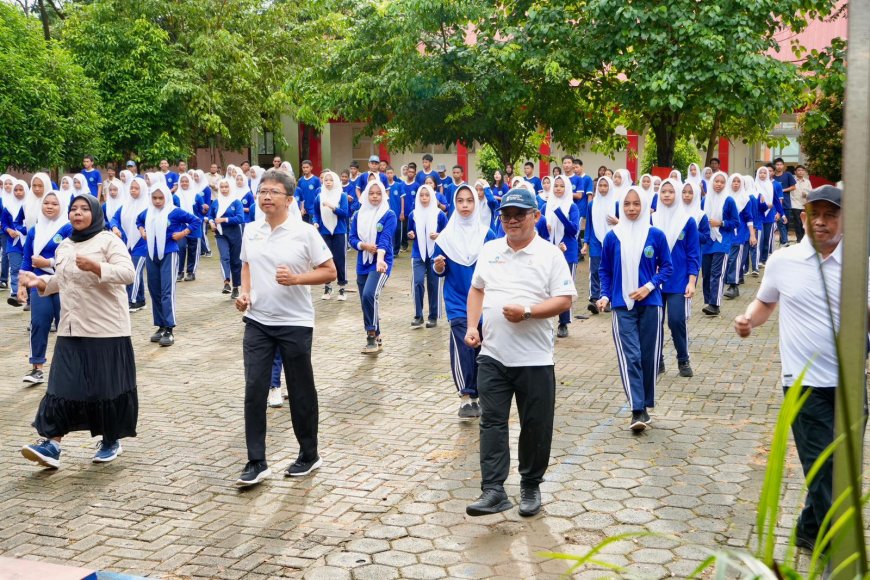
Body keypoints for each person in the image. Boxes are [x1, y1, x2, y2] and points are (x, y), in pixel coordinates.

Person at [733, 185, 867, 553]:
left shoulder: (860, 264)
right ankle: (839, 548)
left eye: (831, 215)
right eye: (815, 215)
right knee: (826, 472)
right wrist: (747, 321)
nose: (821, 223)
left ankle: (808, 530)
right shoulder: (783, 261)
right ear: (804, 217)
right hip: (804, 385)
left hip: (851, 385)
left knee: (844, 466)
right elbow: (765, 303)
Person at [464, 187, 576, 517]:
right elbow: (476, 288)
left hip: (535, 359)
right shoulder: (490, 249)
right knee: (492, 422)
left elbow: (565, 299)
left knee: (535, 425)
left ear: (535, 217)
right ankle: (493, 490)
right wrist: (473, 326)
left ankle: (530, 485)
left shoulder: (550, 254)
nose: (512, 221)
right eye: (506, 215)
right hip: (493, 354)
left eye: (519, 215)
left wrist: (528, 311)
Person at [233, 169, 336, 486]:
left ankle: (309, 454)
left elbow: (329, 271)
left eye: (272, 192)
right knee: (254, 389)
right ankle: (256, 461)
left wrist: (297, 279)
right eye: (262, 191)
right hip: (258, 321)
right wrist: (244, 292)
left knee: (301, 390)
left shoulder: (305, 232)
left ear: (289, 199)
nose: (265, 196)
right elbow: (247, 265)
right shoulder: (251, 230)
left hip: (295, 322)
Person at [19, 194, 137, 468]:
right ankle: (52, 444)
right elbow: (62, 278)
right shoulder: (65, 245)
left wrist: (97, 267)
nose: (78, 213)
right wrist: (39, 281)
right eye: (74, 209)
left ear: (95, 214)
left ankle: (110, 440)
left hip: (106, 329)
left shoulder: (109, 240)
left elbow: (127, 273)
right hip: (70, 328)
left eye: (84, 209)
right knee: (61, 386)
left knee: (104, 389)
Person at [597, 187, 673, 430]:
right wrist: (605, 296)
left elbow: (667, 268)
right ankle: (637, 410)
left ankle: (645, 402)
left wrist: (649, 286)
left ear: (645, 206)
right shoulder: (612, 237)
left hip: (651, 304)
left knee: (648, 357)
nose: (631, 208)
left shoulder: (656, 235)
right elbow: (605, 270)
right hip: (622, 306)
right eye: (627, 204)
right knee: (631, 356)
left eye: (636, 204)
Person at [433, 185, 496, 419]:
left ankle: (479, 393)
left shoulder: (487, 234)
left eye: (470, 200)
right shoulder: (446, 237)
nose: (465, 205)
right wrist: (439, 267)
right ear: (454, 204)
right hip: (457, 300)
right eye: (460, 201)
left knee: (481, 347)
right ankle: (466, 396)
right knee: (463, 347)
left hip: (483, 301)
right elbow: (437, 266)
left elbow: (497, 262)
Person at [137, 181, 201, 347]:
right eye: (154, 198)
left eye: (161, 198)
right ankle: (160, 326)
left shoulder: (174, 212)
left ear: (167, 197)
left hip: (168, 253)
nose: (158, 201)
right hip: (151, 254)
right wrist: (143, 231)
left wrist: (183, 233)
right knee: (154, 290)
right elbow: (139, 221)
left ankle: (169, 328)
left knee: (167, 290)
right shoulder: (148, 212)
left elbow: (195, 221)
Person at [18, 188, 72, 384]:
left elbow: (71, 258)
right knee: (39, 323)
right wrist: (21, 285)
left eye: (54, 203)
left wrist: (47, 263)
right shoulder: (35, 230)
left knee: (64, 325)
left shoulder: (68, 229)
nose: (49, 206)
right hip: (38, 282)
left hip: (62, 282)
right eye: (46, 203)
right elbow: (27, 260)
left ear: (62, 206)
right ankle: (37, 367)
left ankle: (69, 368)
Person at [652, 179, 699, 377]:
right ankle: (657, 360)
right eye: (664, 191)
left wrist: (691, 281)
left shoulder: (687, 221)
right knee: (654, 323)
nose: (667, 195)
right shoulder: (652, 220)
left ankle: (683, 359)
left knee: (676, 320)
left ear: (678, 194)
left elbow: (693, 253)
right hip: (654, 282)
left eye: (671, 191)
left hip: (679, 280)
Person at [349, 181, 397, 354]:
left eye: (378, 193)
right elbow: (352, 238)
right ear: (366, 195)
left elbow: (385, 238)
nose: (375, 196)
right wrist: (363, 246)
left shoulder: (388, 214)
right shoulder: (358, 214)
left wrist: (380, 258)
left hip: (381, 262)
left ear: (383, 195)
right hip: (363, 261)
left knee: (370, 294)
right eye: (372, 193)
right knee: (365, 300)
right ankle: (377, 334)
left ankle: (371, 336)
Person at [542, 175, 580, 338]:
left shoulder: (572, 207)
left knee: (565, 287)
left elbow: (574, 230)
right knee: (547, 286)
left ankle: (564, 323)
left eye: (561, 186)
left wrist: (560, 214)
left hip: (568, 251)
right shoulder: (546, 206)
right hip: (550, 250)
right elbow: (540, 228)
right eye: (555, 186)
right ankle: (545, 320)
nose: (558, 188)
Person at [408, 184, 447, 328]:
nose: (424, 198)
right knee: (417, 282)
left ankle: (433, 316)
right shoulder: (414, 214)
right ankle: (418, 315)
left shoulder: (439, 214)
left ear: (432, 197)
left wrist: (438, 235)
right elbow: (409, 231)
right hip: (418, 253)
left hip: (434, 254)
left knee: (433, 284)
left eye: (427, 195)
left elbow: (447, 233)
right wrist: (410, 234)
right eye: (421, 195)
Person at [700, 171, 738, 316]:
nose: (719, 184)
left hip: (722, 241)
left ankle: (714, 304)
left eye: (722, 182)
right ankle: (708, 300)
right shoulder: (705, 201)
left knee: (717, 273)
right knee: (707, 274)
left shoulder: (729, 200)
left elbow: (736, 222)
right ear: (711, 182)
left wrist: (720, 223)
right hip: (707, 241)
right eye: (717, 181)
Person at [111, 176, 150, 312]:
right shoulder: (126, 205)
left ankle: (131, 300)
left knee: (134, 271)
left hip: (143, 243)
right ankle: (140, 300)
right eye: (131, 188)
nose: (133, 191)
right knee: (134, 271)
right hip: (128, 243)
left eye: (136, 188)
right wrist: (115, 228)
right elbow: (114, 219)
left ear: (143, 189)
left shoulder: (148, 205)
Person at [312, 170, 349, 301]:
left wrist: (333, 207)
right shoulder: (319, 196)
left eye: (331, 180)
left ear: (336, 181)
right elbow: (315, 212)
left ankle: (342, 288)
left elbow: (345, 213)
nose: (328, 182)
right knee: (325, 259)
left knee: (340, 259)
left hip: (339, 231)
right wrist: (316, 222)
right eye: (326, 180)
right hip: (324, 232)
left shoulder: (342, 195)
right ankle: (328, 286)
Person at [584, 176, 618, 315]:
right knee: (595, 269)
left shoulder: (616, 203)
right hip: (595, 240)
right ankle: (594, 298)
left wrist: (618, 221)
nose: (603, 188)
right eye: (600, 185)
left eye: (605, 185)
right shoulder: (592, 204)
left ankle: (608, 298)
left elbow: (623, 223)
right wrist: (586, 243)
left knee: (611, 269)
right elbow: (589, 225)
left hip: (611, 240)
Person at [209, 178, 246, 298]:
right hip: (221, 234)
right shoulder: (216, 202)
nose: (224, 189)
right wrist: (211, 223)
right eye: (222, 187)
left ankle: (236, 287)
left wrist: (224, 219)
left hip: (235, 234)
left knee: (236, 261)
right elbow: (210, 216)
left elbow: (240, 218)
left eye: (226, 187)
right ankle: (226, 282)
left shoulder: (236, 202)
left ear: (230, 188)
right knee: (224, 257)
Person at [722, 173, 756, 300]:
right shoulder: (724, 198)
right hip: (726, 232)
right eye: (733, 181)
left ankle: (733, 286)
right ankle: (727, 283)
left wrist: (752, 234)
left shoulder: (745, 199)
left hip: (739, 233)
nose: (736, 183)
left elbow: (749, 218)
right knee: (727, 258)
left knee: (734, 259)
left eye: (738, 181)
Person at [2, 180, 28, 306]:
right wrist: (8, 230)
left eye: (20, 190)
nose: (18, 192)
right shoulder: (8, 206)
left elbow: (33, 224)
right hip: (13, 242)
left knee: (27, 268)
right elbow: (4, 223)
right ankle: (15, 294)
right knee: (15, 267)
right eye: (16, 190)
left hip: (28, 241)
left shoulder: (30, 206)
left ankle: (28, 295)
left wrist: (20, 231)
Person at [175, 173, 204, 281]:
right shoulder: (175, 196)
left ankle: (191, 272)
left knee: (193, 249)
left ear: (190, 182)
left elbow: (202, 211)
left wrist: (205, 209)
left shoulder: (196, 196)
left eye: (186, 181)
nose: (184, 183)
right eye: (182, 181)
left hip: (195, 226)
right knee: (180, 248)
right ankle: (179, 271)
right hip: (181, 227)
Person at [755, 166, 786, 267]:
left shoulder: (771, 186)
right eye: (760, 173)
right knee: (760, 238)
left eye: (765, 173)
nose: (762, 175)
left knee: (767, 238)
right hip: (759, 215)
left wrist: (782, 214)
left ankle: (764, 259)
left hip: (769, 215)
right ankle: (758, 259)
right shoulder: (754, 186)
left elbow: (776, 201)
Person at [771, 158, 796, 245]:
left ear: (783, 165)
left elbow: (793, 187)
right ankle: (784, 241)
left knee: (785, 223)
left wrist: (782, 190)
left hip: (786, 203)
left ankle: (783, 241)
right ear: (774, 166)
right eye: (777, 164)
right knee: (779, 223)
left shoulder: (788, 175)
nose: (779, 166)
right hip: (774, 204)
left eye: (781, 164)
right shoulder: (772, 176)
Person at [791, 165, 811, 242]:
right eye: (799, 170)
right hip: (795, 204)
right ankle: (799, 239)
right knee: (797, 222)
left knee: (804, 222)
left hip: (804, 204)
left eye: (802, 170)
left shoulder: (807, 181)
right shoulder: (792, 180)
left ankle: (804, 238)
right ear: (795, 172)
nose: (801, 172)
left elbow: (810, 192)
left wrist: (806, 194)